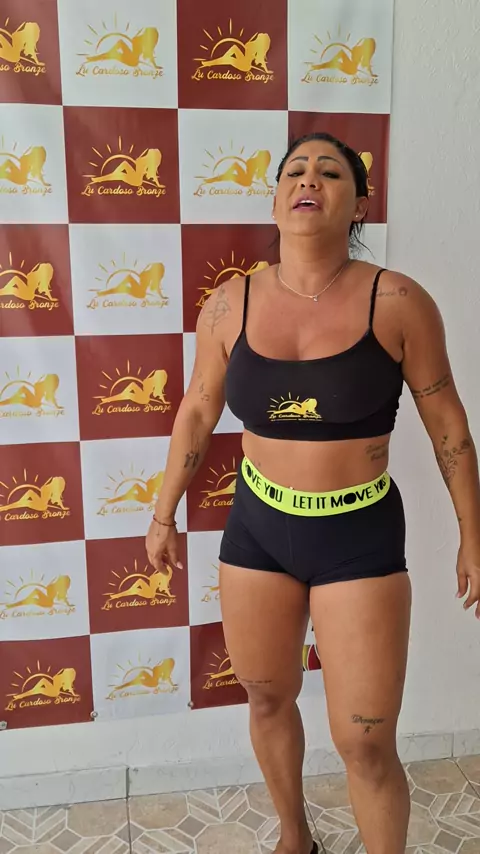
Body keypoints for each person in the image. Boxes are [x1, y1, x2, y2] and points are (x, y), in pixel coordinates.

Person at [146, 132, 480, 854]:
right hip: (258, 531)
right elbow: (197, 410)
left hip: (358, 538)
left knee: (366, 742)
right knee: (268, 698)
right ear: (274, 201)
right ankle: (295, 838)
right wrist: (162, 512)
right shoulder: (227, 305)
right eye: (295, 171)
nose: (309, 180)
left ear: (358, 204)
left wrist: (473, 536)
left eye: (330, 172)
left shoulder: (398, 301)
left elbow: (448, 423)